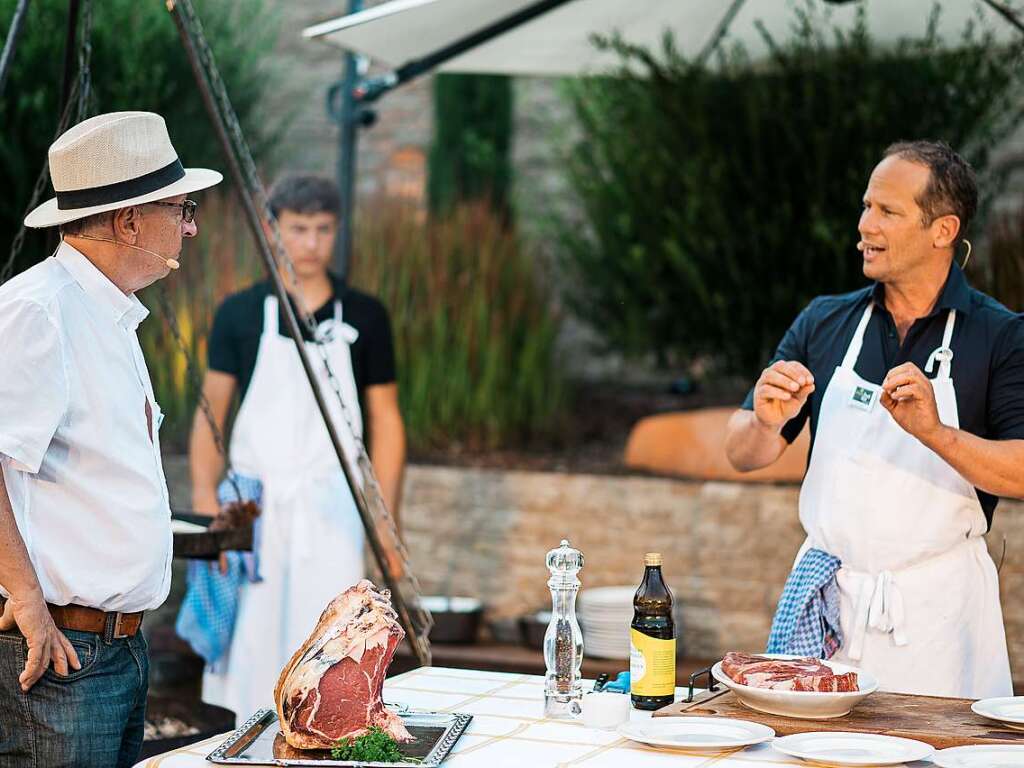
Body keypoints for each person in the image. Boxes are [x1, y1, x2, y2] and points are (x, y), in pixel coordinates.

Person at [725, 140, 1024, 699]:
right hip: (829, 614)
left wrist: (935, 434)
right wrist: (765, 422)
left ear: (943, 230)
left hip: (937, 625)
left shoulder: (1001, 336)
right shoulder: (825, 321)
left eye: (887, 211)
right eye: (866, 206)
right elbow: (742, 452)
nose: (865, 224)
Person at [0, 111, 221, 767]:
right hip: (61, 645)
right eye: (181, 208)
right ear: (127, 221)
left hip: (116, 646)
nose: (191, 226)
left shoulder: (108, 314)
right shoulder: (38, 311)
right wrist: (29, 602)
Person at [189, 174, 406, 718]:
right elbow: (210, 412)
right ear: (272, 229)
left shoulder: (366, 315)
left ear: (337, 233)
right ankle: (251, 744)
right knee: (254, 647)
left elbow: (386, 420)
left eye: (323, 230)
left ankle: (327, 738)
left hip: (335, 507)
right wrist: (205, 505)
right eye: (298, 229)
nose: (310, 243)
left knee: (335, 646)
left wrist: (386, 522)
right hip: (254, 510)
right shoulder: (241, 313)